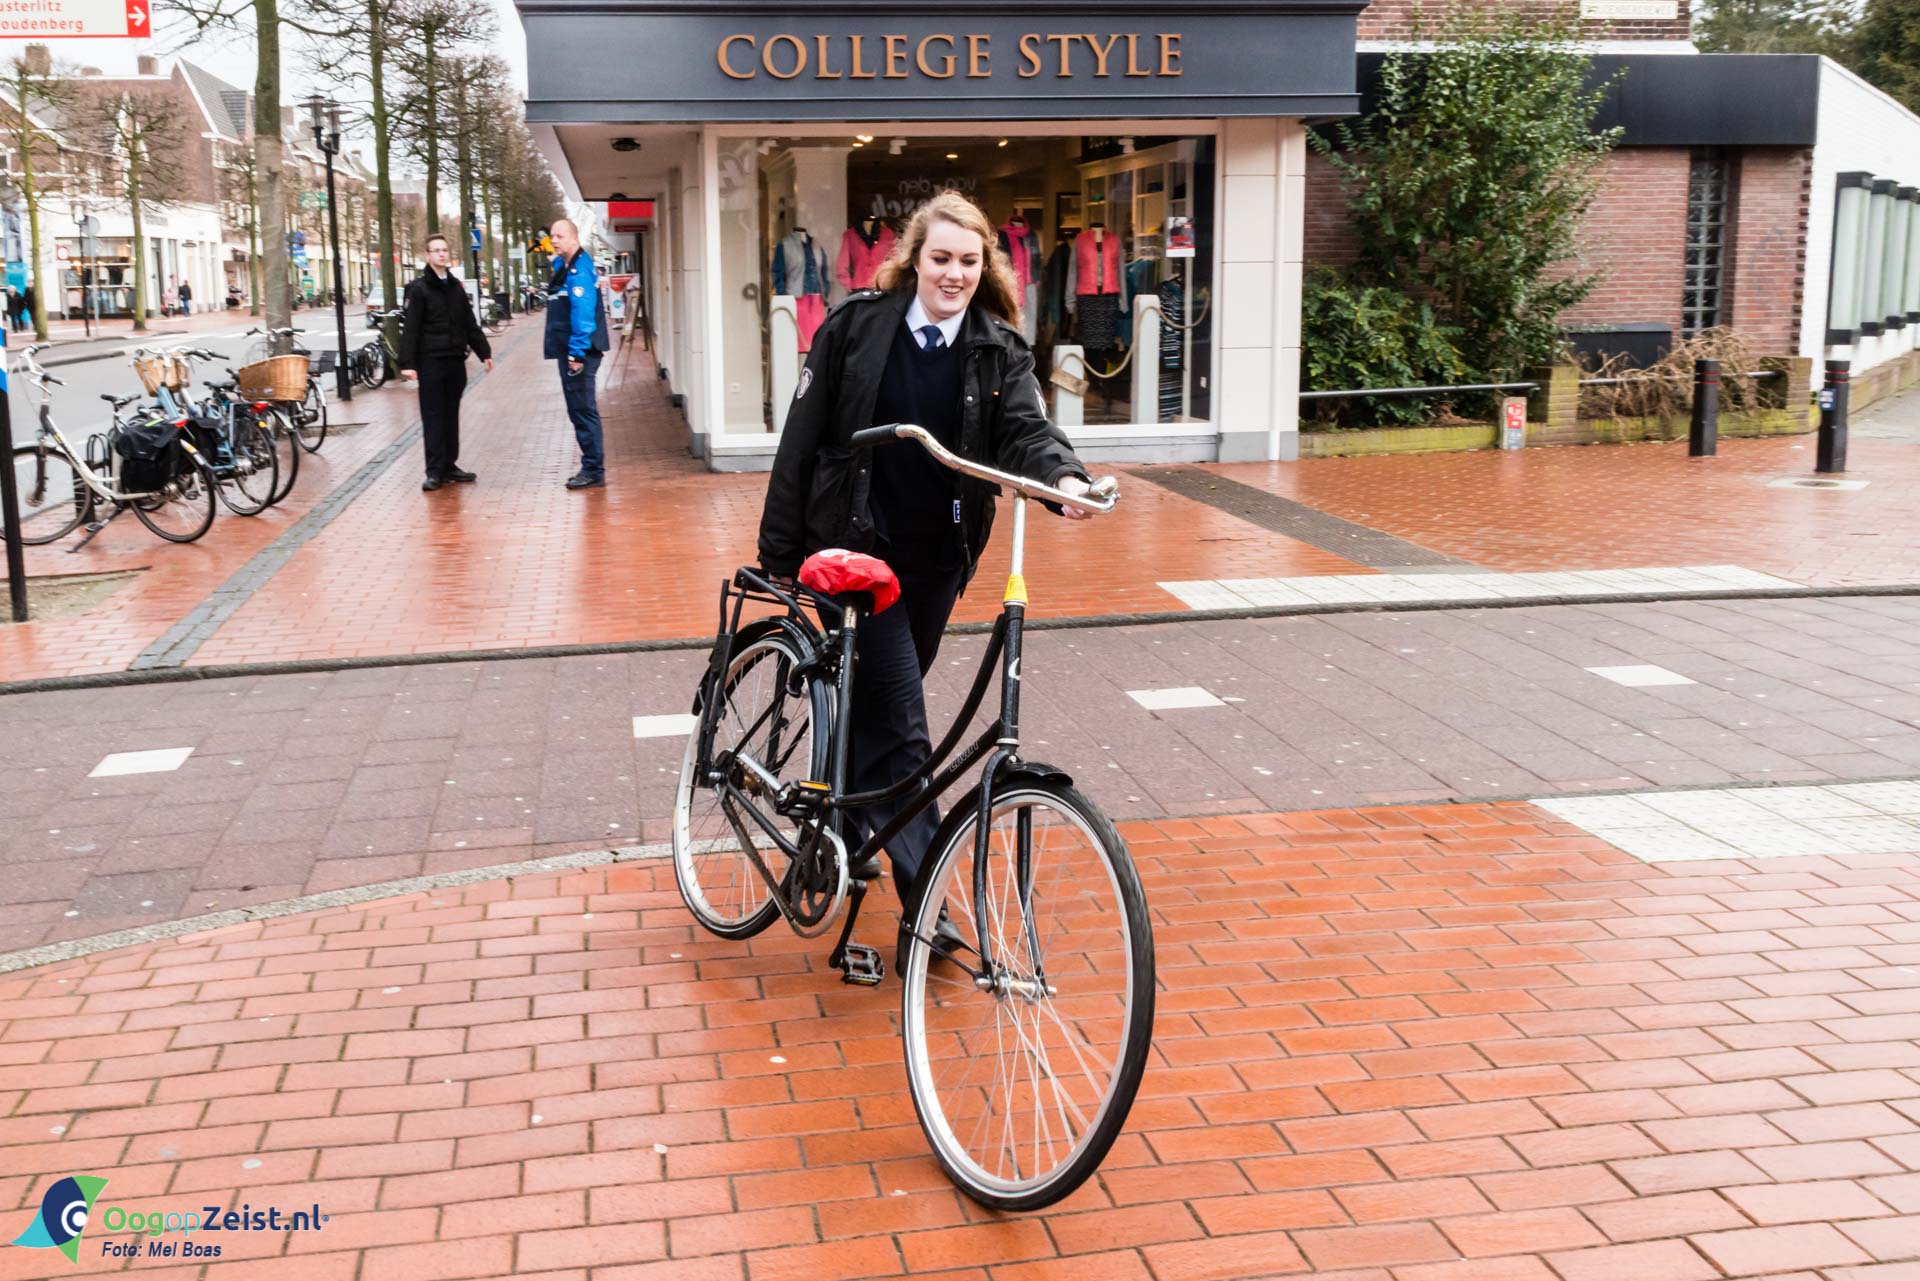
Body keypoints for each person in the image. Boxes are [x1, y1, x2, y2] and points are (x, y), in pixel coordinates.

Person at [756, 189, 1095, 926]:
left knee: (880, 710)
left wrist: (1061, 477)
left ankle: (838, 831)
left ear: (984, 266)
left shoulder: (997, 348)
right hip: (858, 553)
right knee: (906, 722)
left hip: (938, 560)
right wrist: (780, 550)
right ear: (913, 259)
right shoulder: (856, 329)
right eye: (941, 258)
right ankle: (927, 901)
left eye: (969, 261)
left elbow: (1026, 431)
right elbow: (801, 438)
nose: (954, 273)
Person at [398, 233, 494, 491]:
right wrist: (408, 363)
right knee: (433, 416)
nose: (441, 254)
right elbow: (411, 328)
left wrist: (484, 351)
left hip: (454, 361)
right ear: (428, 255)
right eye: (436, 250)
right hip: (430, 362)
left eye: (444, 249)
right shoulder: (419, 289)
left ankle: (450, 465)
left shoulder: (455, 288)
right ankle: (434, 470)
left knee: (450, 415)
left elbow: (469, 323)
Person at [545, 218, 610, 489]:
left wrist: (576, 354)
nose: (554, 240)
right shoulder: (565, 267)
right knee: (578, 409)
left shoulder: (579, 271)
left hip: (579, 353)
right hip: (570, 349)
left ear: (574, 238)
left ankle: (593, 470)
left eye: (559, 236)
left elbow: (583, 316)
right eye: (552, 236)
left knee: (583, 409)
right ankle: (591, 466)